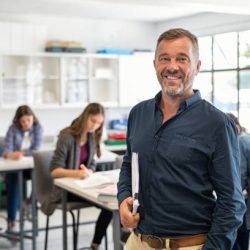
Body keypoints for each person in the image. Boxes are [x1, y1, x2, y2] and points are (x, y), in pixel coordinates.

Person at [117, 28, 246, 250]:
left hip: (189, 245)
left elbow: (231, 202)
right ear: (155, 64)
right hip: (138, 242)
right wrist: (123, 200)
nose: (172, 66)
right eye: (164, 58)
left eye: (182, 59)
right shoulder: (138, 113)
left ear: (197, 66)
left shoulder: (216, 123)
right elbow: (130, 164)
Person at [48, 102, 112, 250]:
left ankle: (99, 242)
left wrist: (89, 170)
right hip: (66, 191)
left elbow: (91, 164)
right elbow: (54, 170)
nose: (95, 126)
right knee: (109, 205)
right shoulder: (66, 136)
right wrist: (76, 173)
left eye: (99, 123)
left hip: (84, 185)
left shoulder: (91, 137)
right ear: (85, 117)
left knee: (112, 202)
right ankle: (98, 244)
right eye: (93, 121)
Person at [2, 105, 43, 231]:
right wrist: (10, 154)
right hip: (15, 167)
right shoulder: (12, 129)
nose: (26, 123)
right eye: (23, 121)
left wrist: (21, 153)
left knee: (41, 175)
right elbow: (6, 150)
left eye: (28, 120)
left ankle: (30, 203)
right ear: (18, 121)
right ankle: (12, 221)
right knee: (13, 181)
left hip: (29, 167)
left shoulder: (38, 128)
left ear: (33, 118)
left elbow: (36, 149)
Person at [227, 113, 250, 250]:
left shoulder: (240, 141)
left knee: (238, 241)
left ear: (236, 128)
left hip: (243, 204)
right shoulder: (247, 139)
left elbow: (240, 176)